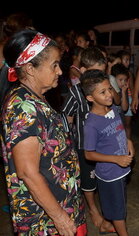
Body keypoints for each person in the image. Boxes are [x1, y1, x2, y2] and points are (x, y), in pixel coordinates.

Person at [0, 29, 86, 235]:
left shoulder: (36, 96)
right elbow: (28, 172)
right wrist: (59, 217)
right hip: (46, 220)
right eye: (54, 65)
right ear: (30, 69)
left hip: (64, 203)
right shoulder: (23, 108)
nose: (60, 71)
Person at [61, 46, 116, 234]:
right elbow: (66, 118)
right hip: (86, 147)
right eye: (94, 73)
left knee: (105, 178)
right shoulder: (76, 93)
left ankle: (107, 211)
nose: (99, 79)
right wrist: (70, 145)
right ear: (83, 71)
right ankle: (94, 212)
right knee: (89, 181)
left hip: (106, 144)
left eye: (102, 73)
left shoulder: (105, 88)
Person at [81, 70, 134, 236]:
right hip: (110, 174)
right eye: (102, 92)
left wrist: (128, 141)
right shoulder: (91, 124)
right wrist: (116, 159)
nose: (109, 94)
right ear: (90, 98)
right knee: (118, 210)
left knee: (118, 203)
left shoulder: (113, 110)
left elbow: (120, 130)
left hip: (121, 169)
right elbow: (89, 154)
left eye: (109, 89)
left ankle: (105, 226)